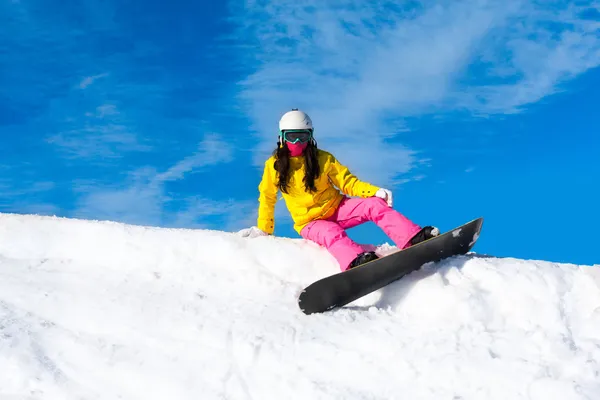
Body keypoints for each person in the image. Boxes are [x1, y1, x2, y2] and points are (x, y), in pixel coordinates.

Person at [239, 109, 439, 271]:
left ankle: (413, 239)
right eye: (292, 137)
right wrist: (264, 228)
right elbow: (267, 197)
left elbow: (347, 182)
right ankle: (356, 262)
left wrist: (373, 192)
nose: (297, 143)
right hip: (310, 222)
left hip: (337, 208)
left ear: (311, 136)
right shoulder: (274, 166)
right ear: (282, 137)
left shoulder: (323, 159)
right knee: (330, 232)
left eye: (302, 136)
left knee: (374, 205)